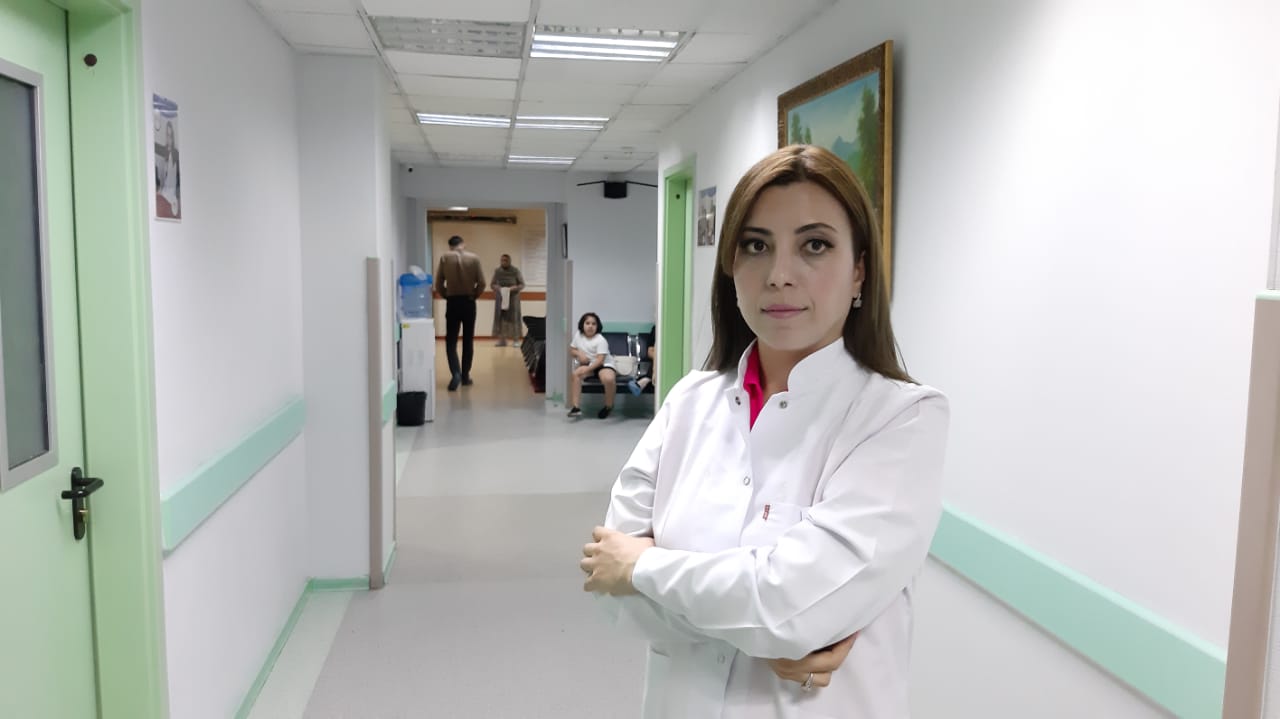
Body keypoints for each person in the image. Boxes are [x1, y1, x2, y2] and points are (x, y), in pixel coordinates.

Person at [579, 145, 950, 718]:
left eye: (815, 245)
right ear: (731, 267)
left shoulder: (902, 418)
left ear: (859, 270)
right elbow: (609, 591)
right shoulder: (688, 401)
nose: (779, 275)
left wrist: (643, 567)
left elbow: (784, 607)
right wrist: (772, 623)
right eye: (756, 245)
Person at [435, 235, 485, 391]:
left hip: (453, 302)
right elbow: (482, 282)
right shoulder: (474, 258)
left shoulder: (445, 258)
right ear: (463, 244)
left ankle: (455, 373)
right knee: (468, 340)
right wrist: (474, 295)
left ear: (450, 246)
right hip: (469, 302)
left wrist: (447, 295)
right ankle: (465, 376)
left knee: (451, 340)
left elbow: (439, 283)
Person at [567, 312, 617, 419]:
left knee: (608, 379)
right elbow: (571, 350)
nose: (590, 326)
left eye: (593, 324)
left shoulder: (601, 340)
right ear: (582, 325)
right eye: (587, 323)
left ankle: (608, 406)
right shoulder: (578, 335)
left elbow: (600, 360)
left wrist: (586, 369)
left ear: (597, 326)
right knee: (576, 374)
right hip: (589, 364)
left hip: (604, 365)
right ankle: (576, 407)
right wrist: (579, 354)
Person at [490, 254, 525, 347]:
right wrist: (498, 288)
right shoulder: (497, 271)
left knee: (514, 318)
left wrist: (514, 288)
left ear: (509, 261)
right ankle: (502, 340)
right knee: (501, 318)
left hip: (513, 298)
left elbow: (522, 284)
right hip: (501, 298)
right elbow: (492, 284)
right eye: (502, 260)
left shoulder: (515, 271)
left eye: (505, 260)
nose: (503, 262)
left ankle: (516, 340)